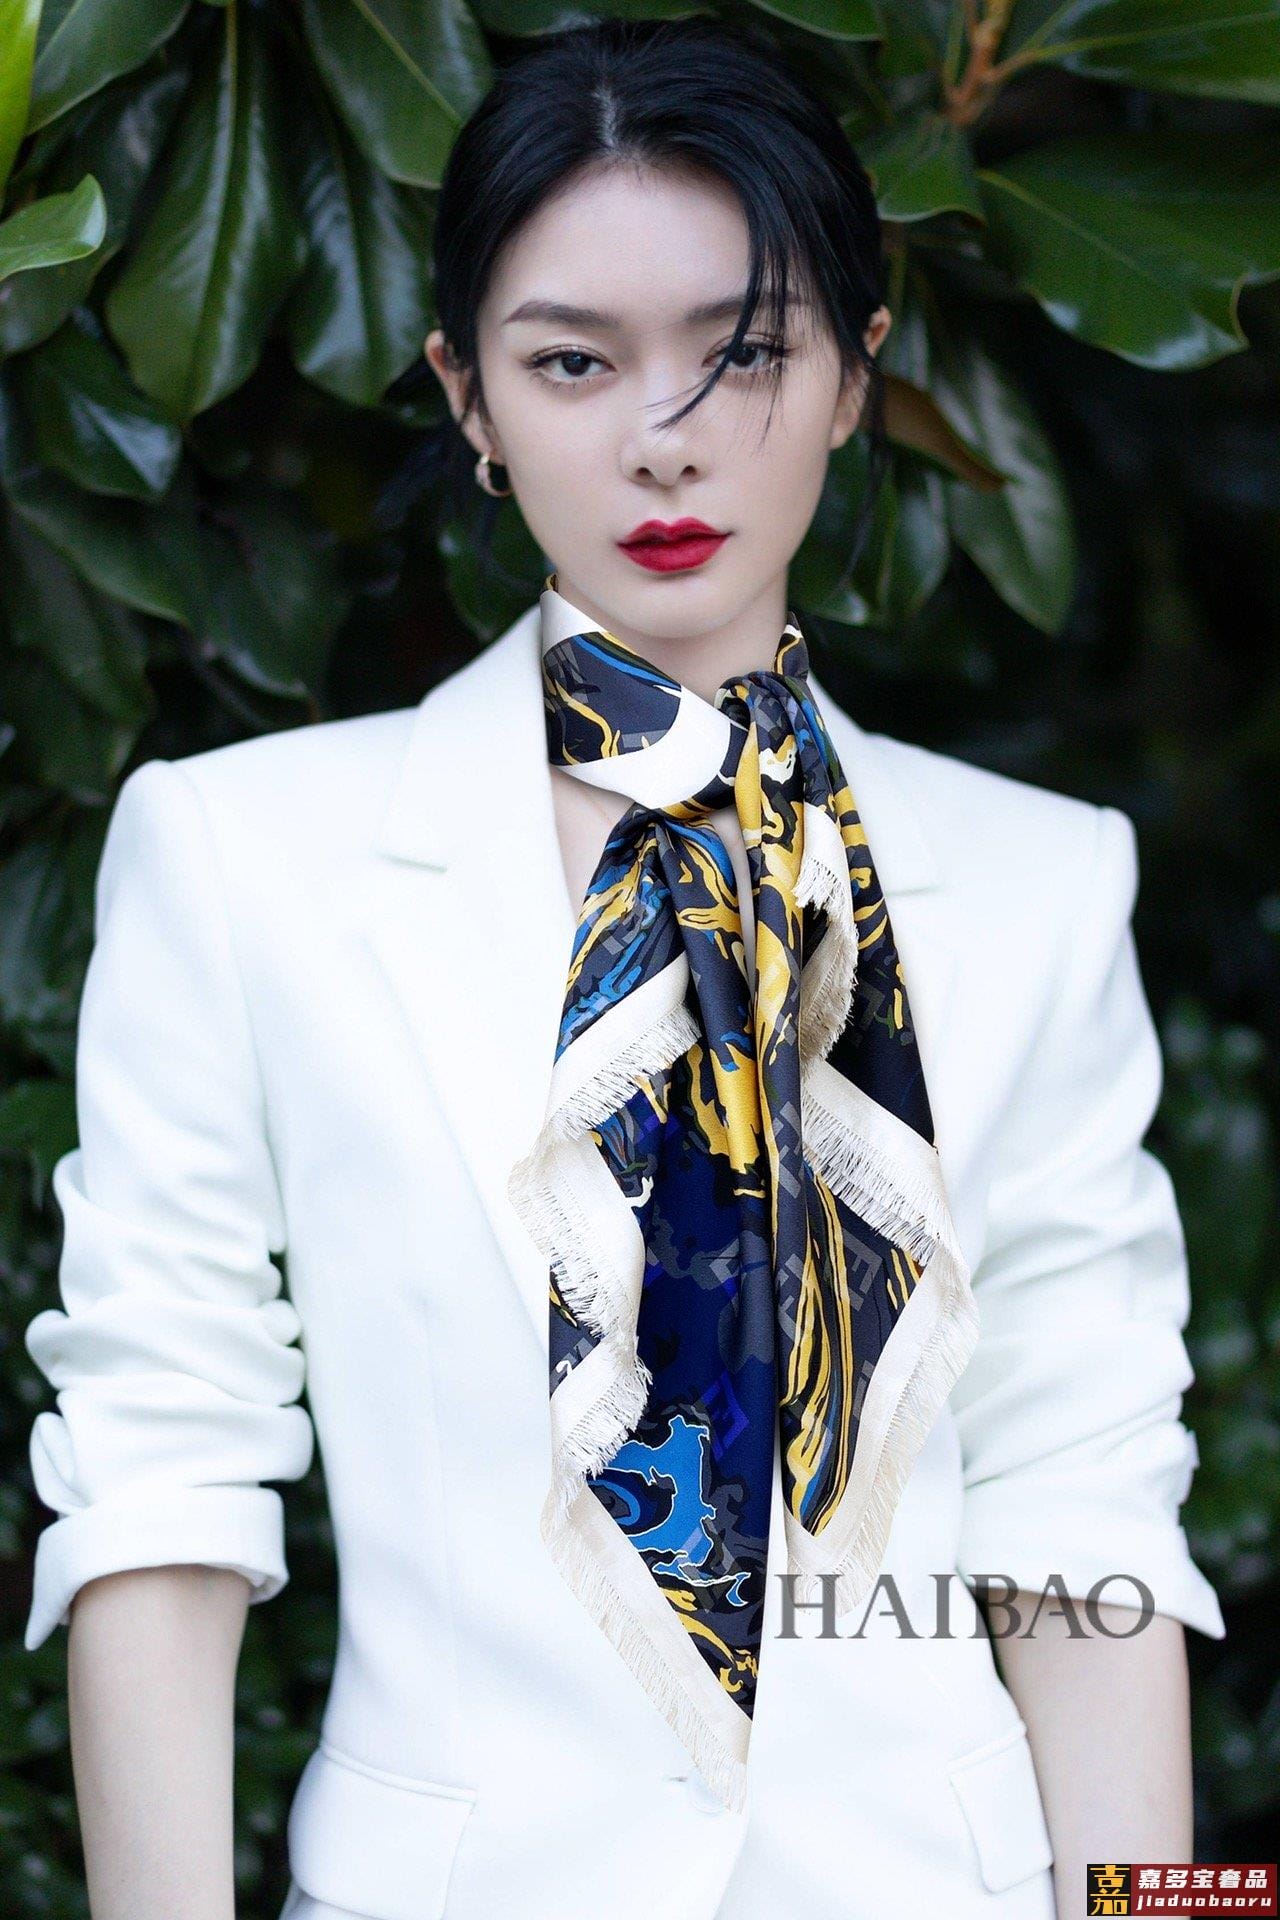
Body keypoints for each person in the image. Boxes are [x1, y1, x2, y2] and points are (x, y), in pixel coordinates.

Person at [21, 18, 1225, 1920]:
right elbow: (157, 1479)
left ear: (857, 372)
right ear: (468, 399)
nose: (665, 433)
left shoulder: (1038, 887)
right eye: (570, 360)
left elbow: (1089, 1514)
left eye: (743, 351)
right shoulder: (244, 863)